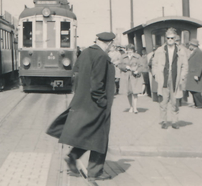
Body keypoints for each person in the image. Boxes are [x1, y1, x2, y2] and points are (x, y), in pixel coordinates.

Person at [50, 31, 116, 184]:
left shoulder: (85, 52)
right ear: (109, 43)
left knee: (87, 134)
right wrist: (103, 103)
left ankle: (73, 157)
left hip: (83, 102)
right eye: (112, 44)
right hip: (97, 104)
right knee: (100, 137)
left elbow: (76, 75)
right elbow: (97, 85)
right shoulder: (102, 57)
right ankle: (95, 172)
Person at [152, 28, 188, 129]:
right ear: (166, 38)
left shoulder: (181, 50)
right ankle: (163, 121)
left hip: (175, 79)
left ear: (175, 38)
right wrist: (155, 75)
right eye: (168, 38)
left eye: (172, 38)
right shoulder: (160, 50)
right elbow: (154, 64)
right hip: (163, 79)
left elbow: (185, 65)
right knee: (163, 101)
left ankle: (174, 121)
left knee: (174, 102)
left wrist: (182, 77)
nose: (170, 40)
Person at [119, 44, 146, 113]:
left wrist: (137, 71)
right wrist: (125, 67)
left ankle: (135, 108)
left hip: (135, 77)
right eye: (128, 50)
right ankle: (131, 106)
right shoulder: (123, 57)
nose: (129, 52)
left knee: (135, 92)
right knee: (128, 92)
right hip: (126, 76)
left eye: (131, 50)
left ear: (133, 50)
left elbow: (142, 66)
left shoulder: (137, 57)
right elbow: (120, 65)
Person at [185, 39, 202, 109]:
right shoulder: (196, 51)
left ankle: (200, 104)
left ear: (193, 45)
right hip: (192, 73)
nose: (189, 46)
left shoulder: (198, 52)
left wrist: (197, 74)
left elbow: (200, 64)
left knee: (195, 90)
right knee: (193, 89)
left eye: (190, 45)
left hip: (194, 74)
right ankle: (197, 103)